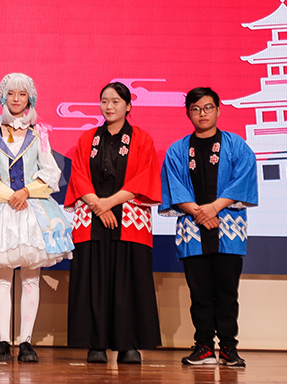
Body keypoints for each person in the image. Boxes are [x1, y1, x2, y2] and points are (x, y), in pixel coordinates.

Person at [0, 73, 73, 362]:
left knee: (30, 278)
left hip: (32, 208)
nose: (16, 99)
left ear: (30, 98)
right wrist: (3, 191)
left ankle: (25, 341)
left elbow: (51, 171)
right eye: (11, 93)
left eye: (21, 94)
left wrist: (25, 191)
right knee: (1, 277)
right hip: (0, 208)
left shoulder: (39, 133)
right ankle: (2, 341)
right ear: (2, 97)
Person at [64, 82, 162, 364]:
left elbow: (144, 177)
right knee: (93, 280)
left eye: (116, 101)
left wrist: (109, 203)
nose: (109, 106)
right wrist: (98, 204)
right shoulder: (86, 139)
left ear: (128, 106)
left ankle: (128, 344)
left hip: (129, 218)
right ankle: (95, 343)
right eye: (104, 101)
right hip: (93, 217)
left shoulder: (142, 139)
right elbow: (79, 174)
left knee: (128, 281)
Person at [159, 87, 257, 367]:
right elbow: (174, 187)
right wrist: (200, 213)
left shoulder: (236, 145)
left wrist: (213, 208)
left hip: (228, 229)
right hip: (192, 229)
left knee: (227, 292)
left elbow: (244, 179)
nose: (202, 113)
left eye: (208, 107)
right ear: (188, 112)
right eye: (196, 109)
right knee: (199, 293)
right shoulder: (178, 150)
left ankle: (228, 348)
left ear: (218, 109)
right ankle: (203, 347)